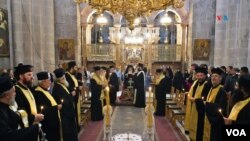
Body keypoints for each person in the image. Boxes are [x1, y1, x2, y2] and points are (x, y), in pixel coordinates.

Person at [0, 77, 40, 141]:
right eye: (13, 92)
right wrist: (33, 129)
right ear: (7, 95)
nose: (15, 94)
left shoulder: (6, 107)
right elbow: (6, 136)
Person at [33, 72, 62, 141]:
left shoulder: (45, 91)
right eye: (48, 80)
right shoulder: (38, 93)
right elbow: (44, 109)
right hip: (48, 126)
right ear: (42, 82)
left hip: (53, 124)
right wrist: (56, 108)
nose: (50, 82)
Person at [200, 68, 227, 141]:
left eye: (216, 76)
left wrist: (207, 104)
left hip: (216, 122)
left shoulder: (221, 90)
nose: (213, 78)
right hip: (209, 118)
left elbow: (220, 107)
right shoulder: (212, 88)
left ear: (220, 78)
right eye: (212, 76)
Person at [52, 68, 78, 141]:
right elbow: (64, 100)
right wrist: (71, 95)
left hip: (69, 113)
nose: (65, 79)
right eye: (63, 77)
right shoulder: (57, 87)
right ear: (60, 79)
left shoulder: (63, 85)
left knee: (72, 132)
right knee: (68, 134)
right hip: (65, 115)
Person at [184, 67, 209, 138]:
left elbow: (205, 98)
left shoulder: (207, 84)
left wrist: (194, 100)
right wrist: (189, 94)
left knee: (199, 127)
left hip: (201, 109)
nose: (199, 77)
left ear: (204, 76)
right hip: (193, 106)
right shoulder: (195, 82)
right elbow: (193, 92)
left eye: (201, 76)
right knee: (193, 123)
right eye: (198, 76)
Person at [65, 61, 81, 130]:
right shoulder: (67, 75)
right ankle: (75, 126)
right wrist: (72, 90)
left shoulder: (72, 75)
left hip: (76, 96)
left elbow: (75, 83)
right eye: (75, 67)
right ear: (72, 67)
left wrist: (79, 86)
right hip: (72, 97)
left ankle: (77, 125)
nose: (76, 69)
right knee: (74, 111)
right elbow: (67, 85)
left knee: (76, 111)